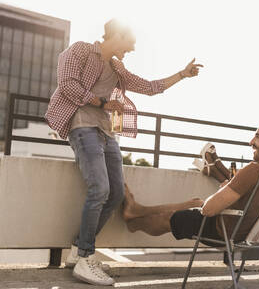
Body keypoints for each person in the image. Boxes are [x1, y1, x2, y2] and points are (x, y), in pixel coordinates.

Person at [45, 19, 203, 286]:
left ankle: (77, 250)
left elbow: (150, 87)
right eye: (130, 42)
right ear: (116, 35)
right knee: (100, 189)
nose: (131, 48)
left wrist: (182, 74)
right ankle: (85, 256)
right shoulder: (80, 50)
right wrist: (104, 102)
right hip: (83, 127)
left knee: (116, 194)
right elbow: (68, 85)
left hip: (107, 134)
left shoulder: (117, 67)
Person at [122, 118, 259, 247]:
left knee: (173, 218)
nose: (251, 142)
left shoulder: (255, 170)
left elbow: (209, 210)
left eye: (258, 137)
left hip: (225, 232)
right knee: (195, 204)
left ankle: (133, 223)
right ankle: (137, 210)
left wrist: (226, 189)